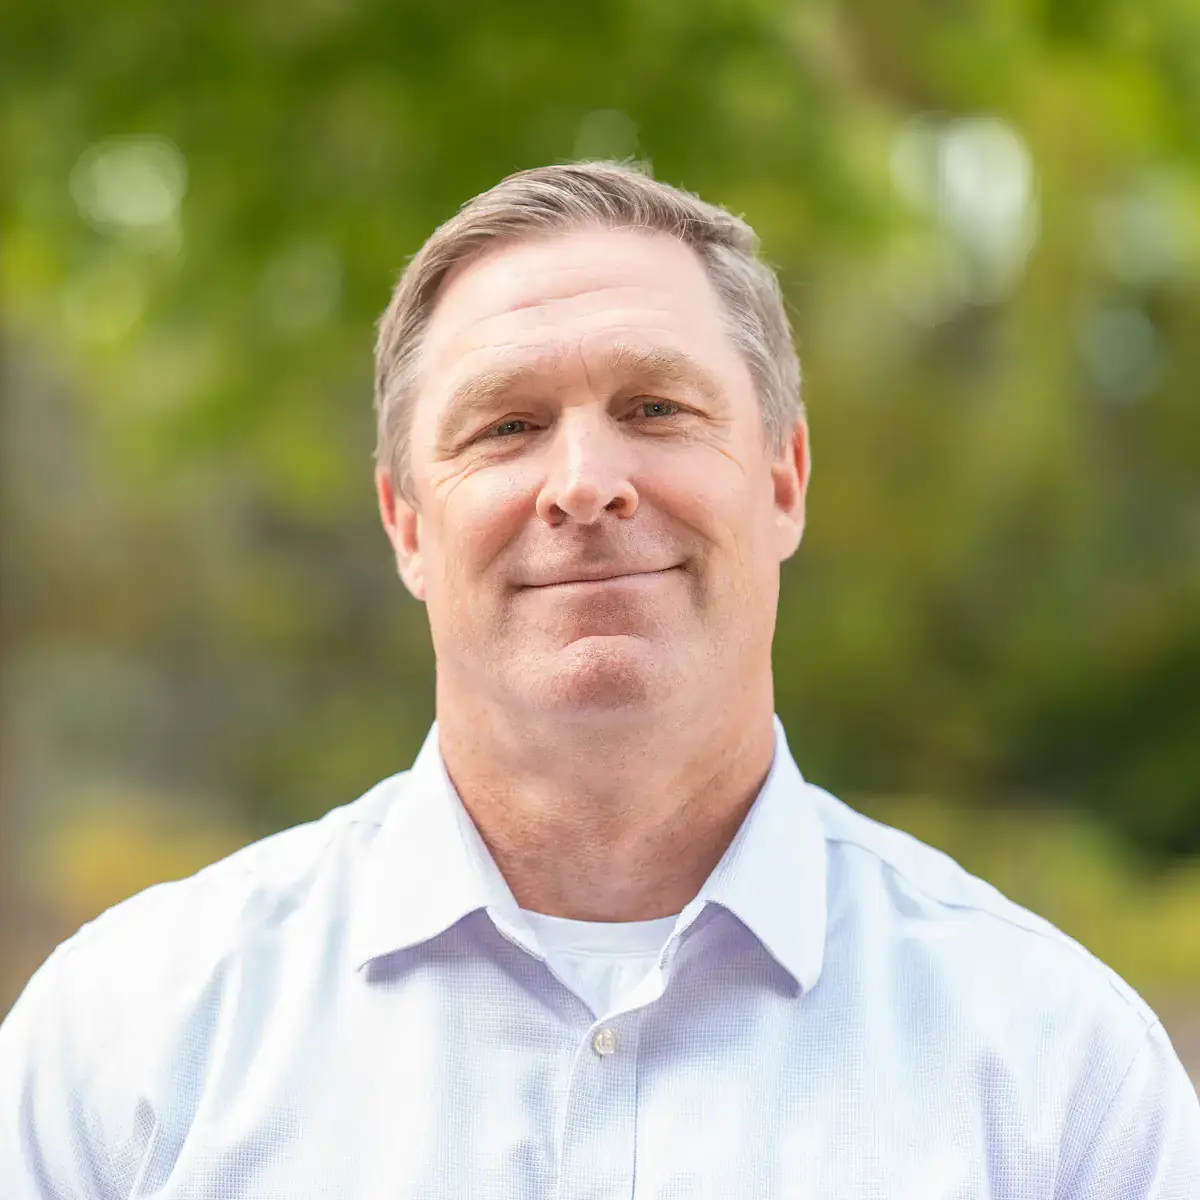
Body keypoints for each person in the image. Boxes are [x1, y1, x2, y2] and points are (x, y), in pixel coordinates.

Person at [1, 161, 1197, 1199]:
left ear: (782, 480)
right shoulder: (125, 1044)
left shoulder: (1055, 1066)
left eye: (656, 407)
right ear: (407, 526)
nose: (586, 481)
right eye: (508, 426)